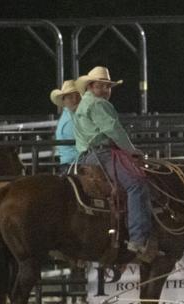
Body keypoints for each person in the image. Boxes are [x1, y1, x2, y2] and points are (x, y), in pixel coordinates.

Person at [73, 66, 156, 262]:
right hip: (101, 154)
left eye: (108, 87)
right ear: (91, 87)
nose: (105, 91)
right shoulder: (98, 104)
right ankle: (138, 238)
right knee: (136, 184)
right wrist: (131, 150)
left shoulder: (84, 104)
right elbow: (113, 128)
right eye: (101, 86)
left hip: (87, 156)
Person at [49, 80, 81, 173]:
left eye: (78, 96)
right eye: (70, 97)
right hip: (74, 165)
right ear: (64, 100)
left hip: (71, 163)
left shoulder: (69, 115)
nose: (75, 100)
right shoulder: (71, 120)